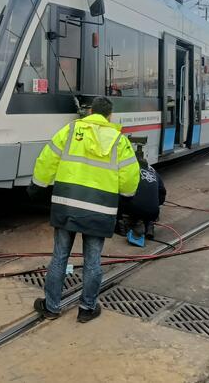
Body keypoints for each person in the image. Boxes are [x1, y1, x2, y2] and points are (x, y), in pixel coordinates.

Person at [29, 96, 140, 322]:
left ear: (90, 112)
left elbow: (47, 159)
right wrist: (127, 197)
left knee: (60, 256)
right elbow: (129, 177)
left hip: (66, 204)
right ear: (110, 116)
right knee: (92, 260)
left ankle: (51, 307)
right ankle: (86, 309)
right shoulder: (120, 140)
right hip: (100, 209)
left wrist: (37, 185)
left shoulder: (70, 131)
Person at [119, 148, 167, 247]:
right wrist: (155, 204)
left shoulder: (130, 169)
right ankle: (149, 223)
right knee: (147, 206)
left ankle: (124, 225)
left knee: (121, 194)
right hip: (154, 212)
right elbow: (162, 193)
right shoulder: (153, 171)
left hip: (135, 209)